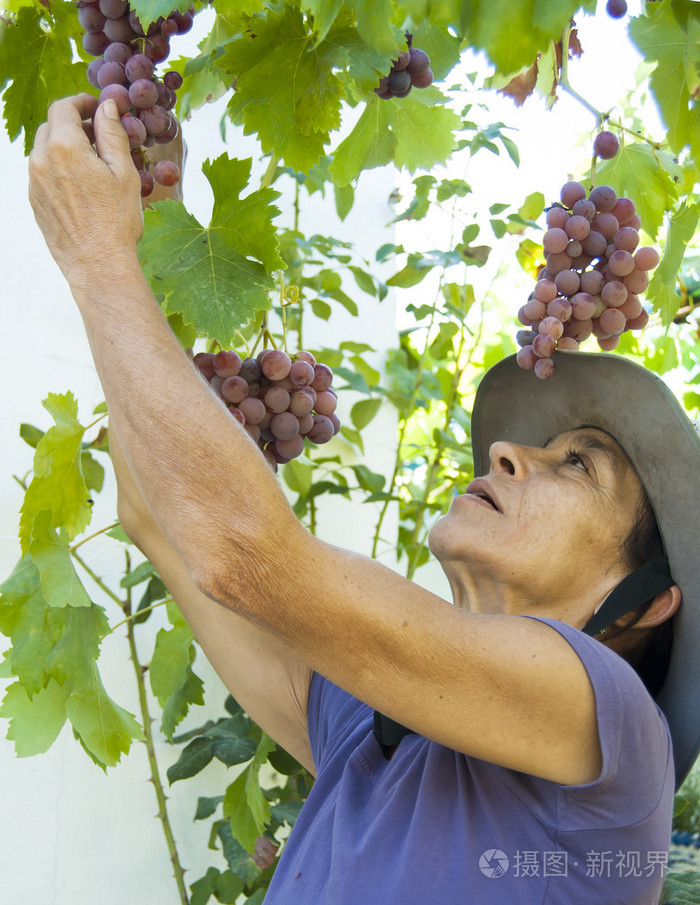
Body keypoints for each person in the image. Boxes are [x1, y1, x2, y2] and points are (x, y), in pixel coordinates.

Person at [27, 95, 700, 904]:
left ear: (648, 603)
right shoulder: (375, 726)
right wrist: (149, 228)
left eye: (578, 466)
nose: (507, 453)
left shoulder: (614, 724)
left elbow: (238, 553)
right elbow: (162, 522)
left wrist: (98, 258)